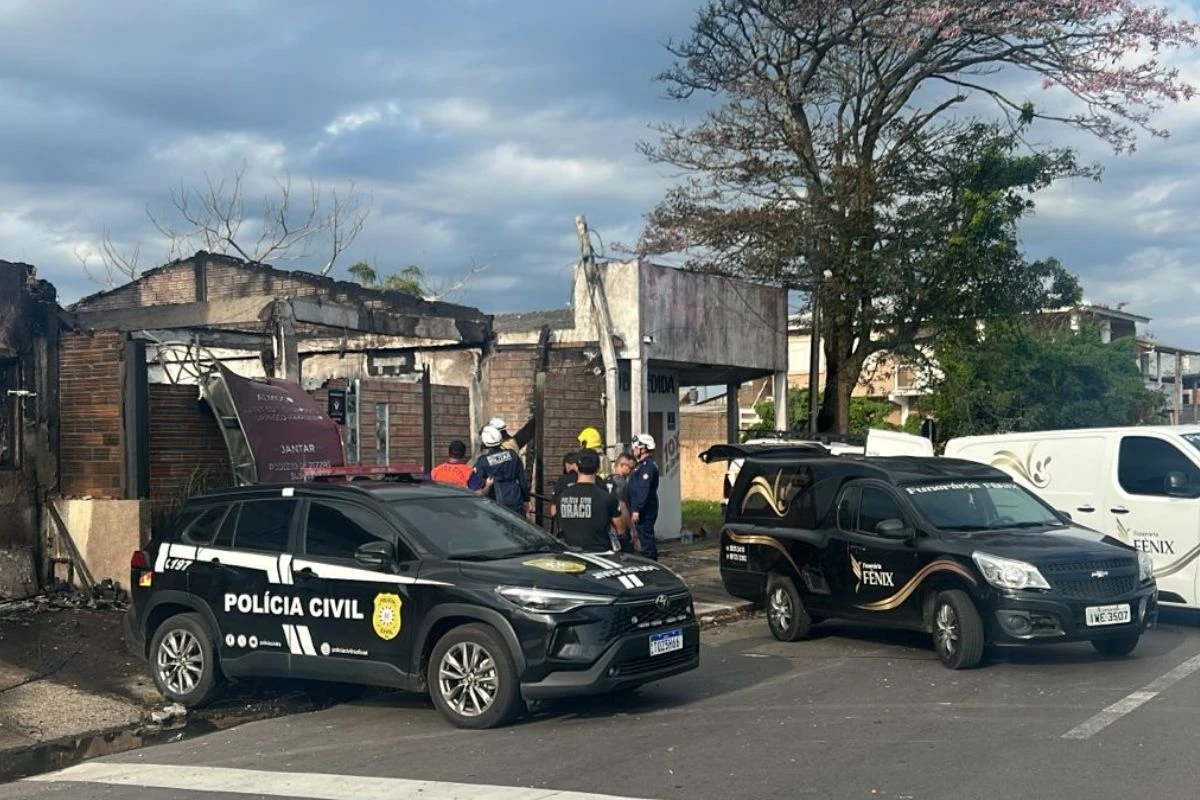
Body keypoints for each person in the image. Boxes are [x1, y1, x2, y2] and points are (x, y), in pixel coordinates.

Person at [555, 449, 623, 552]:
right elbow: (621, 529)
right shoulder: (606, 498)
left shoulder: (562, 497)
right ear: (598, 468)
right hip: (600, 554)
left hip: (570, 553)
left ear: (577, 468)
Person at [469, 425, 530, 517]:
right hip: (515, 495)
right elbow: (522, 480)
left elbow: (477, 484)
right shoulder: (512, 455)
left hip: (496, 497)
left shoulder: (483, 461)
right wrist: (526, 499)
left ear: (485, 443)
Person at [627, 433, 660, 559]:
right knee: (643, 537)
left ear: (644, 448)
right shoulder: (641, 466)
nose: (633, 450)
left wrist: (636, 509)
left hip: (645, 510)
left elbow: (643, 489)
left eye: (636, 448)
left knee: (647, 540)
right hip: (641, 508)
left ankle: (652, 565)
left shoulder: (647, 467)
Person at [604, 452, 636, 553]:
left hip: (608, 527)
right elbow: (622, 506)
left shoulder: (606, 481)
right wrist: (632, 528)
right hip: (621, 527)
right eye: (630, 468)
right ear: (621, 465)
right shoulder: (621, 483)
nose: (632, 471)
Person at [548, 451, 579, 538]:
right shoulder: (587, 479)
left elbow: (553, 511)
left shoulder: (562, 480)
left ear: (567, 464)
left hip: (566, 528)